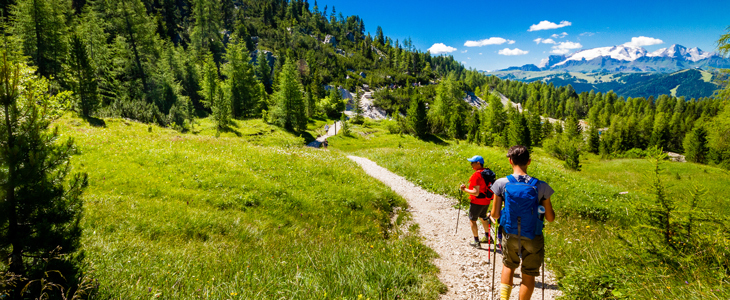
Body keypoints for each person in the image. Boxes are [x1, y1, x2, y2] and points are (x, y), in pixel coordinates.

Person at [489, 145, 555, 300]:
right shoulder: (541, 186)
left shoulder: (500, 183)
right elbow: (550, 218)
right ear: (529, 162)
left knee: (508, 266)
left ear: (510, 161)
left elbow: (496, 214)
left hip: (510, 233)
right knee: (528, 274)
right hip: (533, 235)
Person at [459, 155, 494, 248]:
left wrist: (464, 189)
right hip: (486, 200)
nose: (471, 164)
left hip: (477, 202)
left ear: (478, 163)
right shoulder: (488, 172)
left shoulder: (477, 175)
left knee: (472, 220)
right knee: (483, 217)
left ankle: (476, 241)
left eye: (472, 162)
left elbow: (476, 192)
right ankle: (488, 237)